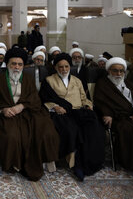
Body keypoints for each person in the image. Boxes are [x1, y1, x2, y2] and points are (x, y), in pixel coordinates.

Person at [0, 48, 59, 181]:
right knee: (11, 135)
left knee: (45, 130)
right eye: (13, 64)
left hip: (29, 112)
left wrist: (22, 106)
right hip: (9, 114)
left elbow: (35, 98)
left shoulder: (28, 79)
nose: (16, 67)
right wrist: (3, 110)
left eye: (20, 64)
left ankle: (42, 161)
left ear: (24, 66)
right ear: (7, 65)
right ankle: (14, 164)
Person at [39, 53, 105, 181]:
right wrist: (55, 107)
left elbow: (84, 98)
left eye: (66, 67)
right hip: (61, 113)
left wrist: (88, 105)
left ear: (70, 67)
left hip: (78, 111)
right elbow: (44, 98)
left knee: (93, 127)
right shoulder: (49, 80)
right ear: (56, 67)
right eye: (61, 67)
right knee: (72, 130)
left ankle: (91, 160)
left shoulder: (77, 80)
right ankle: (77, 164)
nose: (64, 69)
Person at [94, 57, 133, 175]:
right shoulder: (103, 83)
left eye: (121, 71)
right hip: (118, 117)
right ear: (109, 71)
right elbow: (100, 101)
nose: (118, 73)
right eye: (115, 70)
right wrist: (108, 114)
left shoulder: (129, 84)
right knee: (130, 129)